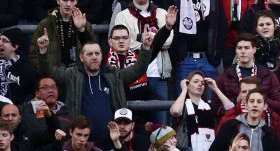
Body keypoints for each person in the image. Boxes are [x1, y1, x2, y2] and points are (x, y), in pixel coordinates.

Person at [29, 8, 175, 147]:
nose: (94, 57)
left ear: (102, 56)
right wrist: (43, 51)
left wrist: (146, 48)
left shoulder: (114, 74)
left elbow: (139, 69)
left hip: (110, 141)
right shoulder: (71, 75)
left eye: (97, 54)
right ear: (81, 57)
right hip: (81, 142)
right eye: (90, 54)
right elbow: (49, 71)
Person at [170, 71, 234, 151]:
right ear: (188, 85)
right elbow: (175, 111)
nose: (200, 84)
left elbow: (231, 109)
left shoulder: (209, 107)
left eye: (203, 83)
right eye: (196, 81)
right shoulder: (183, 105)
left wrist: (216, 88)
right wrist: (184, 90)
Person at [210, 91, 280, 151]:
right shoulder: (229, 126)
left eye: (259, 102)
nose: (255, 105)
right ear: (246, 105)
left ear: (265, 106)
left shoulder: (270, 133)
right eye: (251, 101)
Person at [0, 28, 37, 104]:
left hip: (12, 113)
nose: (0, 43)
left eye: (4, 41)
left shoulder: (27, 70)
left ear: (15, 46)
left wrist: (24, 109)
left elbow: (40, 92)